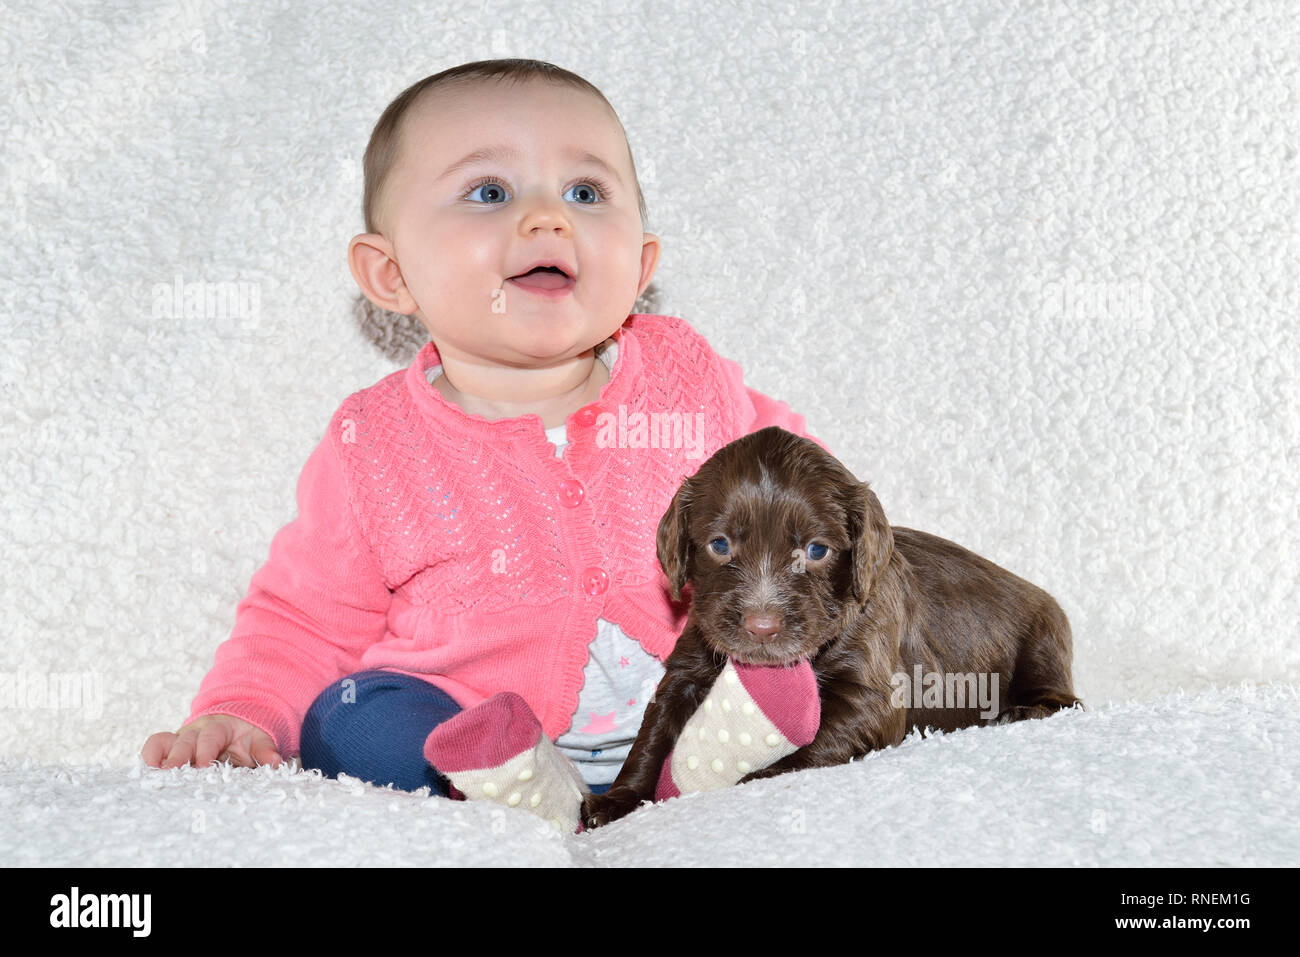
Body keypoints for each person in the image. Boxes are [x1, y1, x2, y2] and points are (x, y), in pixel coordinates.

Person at [141, 58, 828, 832]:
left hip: (687, 701)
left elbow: (807, 495)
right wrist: (240, 711)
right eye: (490, 193)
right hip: (473, 732)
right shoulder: (374, 443)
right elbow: (302, 617)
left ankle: (681, 774)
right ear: (391, 274)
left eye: (586, 193)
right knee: (351, 718)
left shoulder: (688, 377)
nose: (547, 219)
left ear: (640, 265)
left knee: (794, 667)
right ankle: (512, 786)